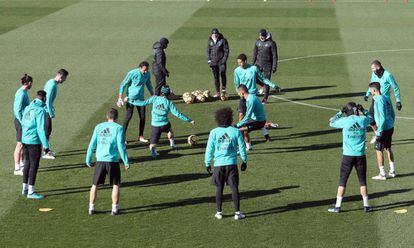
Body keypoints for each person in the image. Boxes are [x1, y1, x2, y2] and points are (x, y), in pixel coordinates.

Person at [328, 102, 373, 213]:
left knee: (342, 181)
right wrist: (364, 110)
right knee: (362, 181)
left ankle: (338, 206)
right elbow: (371, 119)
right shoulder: (362, 120)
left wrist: (340, 113)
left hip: (347, 156)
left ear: (346, 112)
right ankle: (366, 205)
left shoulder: (344, 121)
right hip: (361, 155)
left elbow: (331, 122)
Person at [205, 107, 247, 220]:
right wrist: (244, 161)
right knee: (234, 188)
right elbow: (242, 147)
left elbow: (210, 148)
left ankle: (219, 212)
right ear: (230, 118)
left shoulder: (213, 132)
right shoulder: (235, 131)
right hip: (232, 164)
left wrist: (207, 163)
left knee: (219, 188)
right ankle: (237, 213)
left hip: (218, 165)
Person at [130, 85, 195, 158]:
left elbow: (143, 103)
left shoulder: (154, 98)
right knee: (170, 131)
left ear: (161, 92)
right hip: (165, 124)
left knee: (152, 144)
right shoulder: (169, 103)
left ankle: (153, 151)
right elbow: (178, 114)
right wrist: (189, 120)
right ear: (168, 94)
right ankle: (172, 144)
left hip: (155, 126)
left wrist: (131, 101)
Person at [86, 108, 130, 216]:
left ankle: (91, 207)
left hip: (100, 160)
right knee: (115, 185)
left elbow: (92, 144)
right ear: (117, 117)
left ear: (107, 116)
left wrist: (88, 158)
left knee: (94, 185)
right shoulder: (119, 128)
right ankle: (114, 209)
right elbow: (121, 146)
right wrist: (125, 161)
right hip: (112, 161)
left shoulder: (98, 127)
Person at [21, 90, 50, 199]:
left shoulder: (28, 107)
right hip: (34, 141)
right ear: (44, 98)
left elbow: (23, 121)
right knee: (34, 165)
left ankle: (25, 188)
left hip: (25, 139)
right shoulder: (40, 110)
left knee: (27, 163)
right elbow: (40, 129)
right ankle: (31, 192)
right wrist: (46, 145)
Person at [364, 60, 401, 144]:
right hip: (375, 99)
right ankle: (377, 133)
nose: (372, 70)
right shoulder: (374, 74)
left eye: (373, 68)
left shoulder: (388, 75)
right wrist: (367, 94)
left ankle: (385, 133)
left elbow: (395, 87)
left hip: (385, 99)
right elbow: (371, 84)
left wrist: (398, 101)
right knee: (370, 117)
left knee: (386, 117)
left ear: (378, 67)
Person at [117, 61, 154, 143]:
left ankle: (141, 136)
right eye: (144, 70)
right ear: (140, 68)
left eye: (147, 69)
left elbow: (149, 84)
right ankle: (122, 137)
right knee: (128, 117)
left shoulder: (147, 74)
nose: (146, 71)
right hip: (130, 99)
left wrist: (153, 95)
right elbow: (123, 84)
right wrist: (120, 97)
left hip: (141, 100)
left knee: (143, 117)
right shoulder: (132, 73)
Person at [368, 82, 396, 180]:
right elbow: (393, 114)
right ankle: (392, 171)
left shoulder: (378, 100)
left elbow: (382, 118)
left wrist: (378, 132)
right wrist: (391, 123)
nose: (370, 92)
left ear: (374, 90)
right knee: (388, 148)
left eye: (370, 90)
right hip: (390, 127)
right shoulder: (386, 97)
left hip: (383, 129)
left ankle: (382, 174)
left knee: (378, 150)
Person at [43, 68, 69, 159]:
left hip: (45, 109)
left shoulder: (50, 82)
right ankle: (46, 151)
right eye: (65, 78)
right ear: (61, 76)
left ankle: (46, 149)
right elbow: (48, 100)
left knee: (47, 130)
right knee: (47, 130)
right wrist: (50, 113)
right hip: (45, 110)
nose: (65, 80)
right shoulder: (52, 85)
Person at [235, 84, 270, 150]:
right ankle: (249, 147)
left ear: (242, 92)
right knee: (244, 130)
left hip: (259, 122)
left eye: (238, 93)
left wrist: (237, 125)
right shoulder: (251, 97)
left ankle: (239, 147)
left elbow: (248, 116)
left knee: (239, 130)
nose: (238, 95)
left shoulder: (251, 100)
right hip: (256, 119)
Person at [13, 74, 32, 175]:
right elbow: (17, 109)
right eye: (31, 83)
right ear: (29, 83)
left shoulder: (24, 92)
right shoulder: (21, 93)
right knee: (19, 144)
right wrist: (22, 121)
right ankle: (17, 168)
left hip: (23, 121)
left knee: (23, 144)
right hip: (20, 122)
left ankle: (21, 164)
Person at [252, 29, 278, 104]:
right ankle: (263, 85)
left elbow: (274, 56)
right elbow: (255, 53)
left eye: (262, 36)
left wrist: (274, 66)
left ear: (266, 35)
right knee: (253, 77)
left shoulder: (271, 43)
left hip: (267, 65)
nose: (261, 37)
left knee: (267, 81)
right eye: (260, 36)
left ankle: (265, 98)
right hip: (258, 63)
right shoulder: (257, 42)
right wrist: (252, 63)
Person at [206, 28, 229, 98]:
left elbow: (226, 51)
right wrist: (209, 60)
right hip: (213, 62)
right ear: (211, 34)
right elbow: (208, 51)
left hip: (221, 61)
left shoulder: (223, 40)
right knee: (216, 77)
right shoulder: (210, 41)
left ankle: (223, 90)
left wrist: (224, 60)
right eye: (213, 34)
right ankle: (217, 92)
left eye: (216, 34)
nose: (215, 35)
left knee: (222, 74)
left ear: (218, 34)